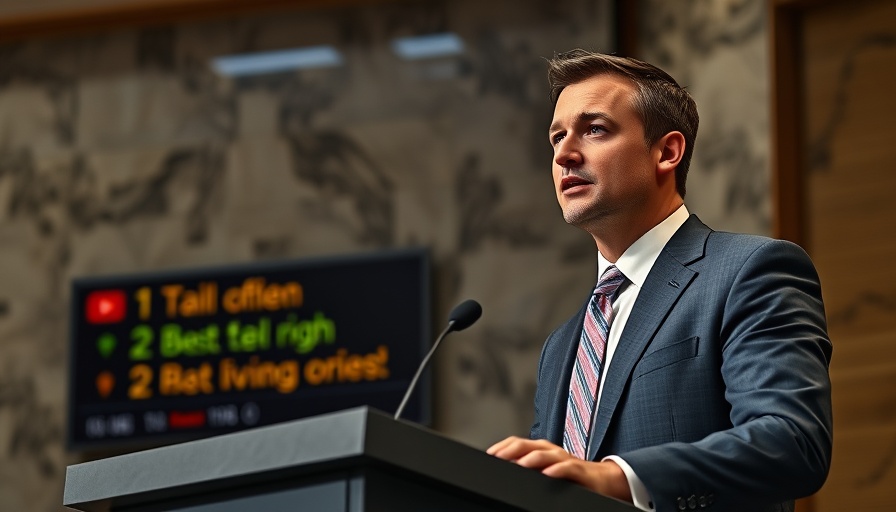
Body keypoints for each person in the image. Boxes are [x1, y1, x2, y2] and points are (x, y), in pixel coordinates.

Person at [486, 50, 832, 512]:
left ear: (667, 151)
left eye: (595, 129)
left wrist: (620, 478)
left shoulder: (750, 271)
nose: (565, 154)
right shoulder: (562, 345)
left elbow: (792, 440)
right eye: (556, 138)